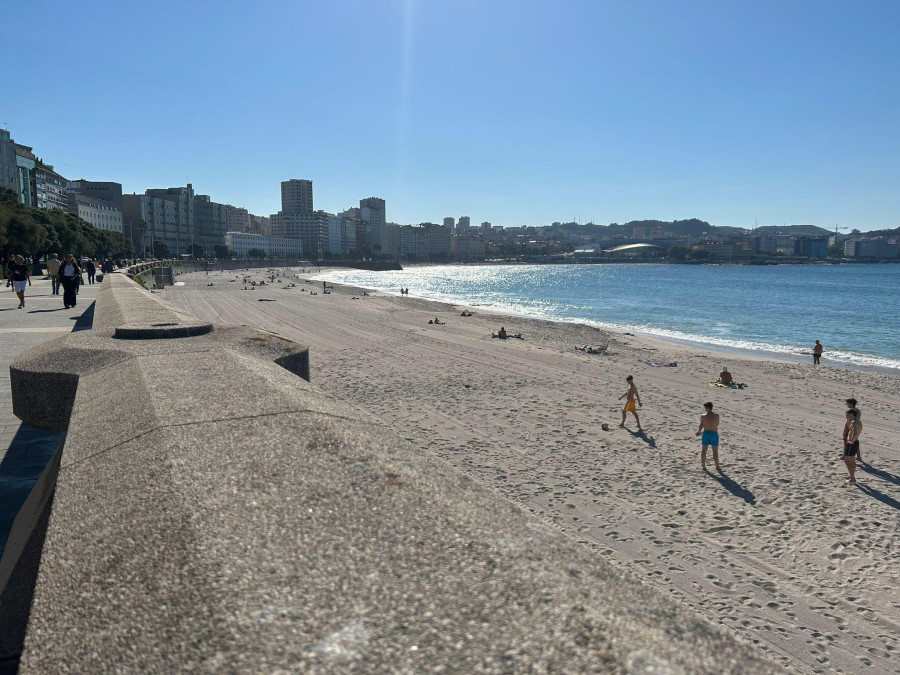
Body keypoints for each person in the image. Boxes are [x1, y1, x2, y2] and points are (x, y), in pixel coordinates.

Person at [696, 402, 721, 471]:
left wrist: (698, 432)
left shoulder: (703, 416)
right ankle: (717, 467)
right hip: (714, 433)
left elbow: (701, 425)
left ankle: (703, 466)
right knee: (715, 451)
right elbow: (717, 424)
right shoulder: (716, 416)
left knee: (704, 450)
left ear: (707, 408)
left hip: (706, 433)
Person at [842, 408, 862, 484]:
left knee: (848, 460)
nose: (846, 417)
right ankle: (851, 476)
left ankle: (852, 478)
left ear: (851, 414)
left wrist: (851, 441)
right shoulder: (859, 421)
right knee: (851, 460)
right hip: (855, 442)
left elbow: (854, 433)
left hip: (852, 443)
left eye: (847, 415)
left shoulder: (853, 423)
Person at [842, 399, 863, 465]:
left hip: (852, 428)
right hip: (849, 427)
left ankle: (848, 455)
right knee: (853, 441)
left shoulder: (855, 412)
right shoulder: (852, 411)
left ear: (851, 403)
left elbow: (855, 421)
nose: (847, 404)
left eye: (848, 403)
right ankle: (858, 456)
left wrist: (850, 429)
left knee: (852, 442)